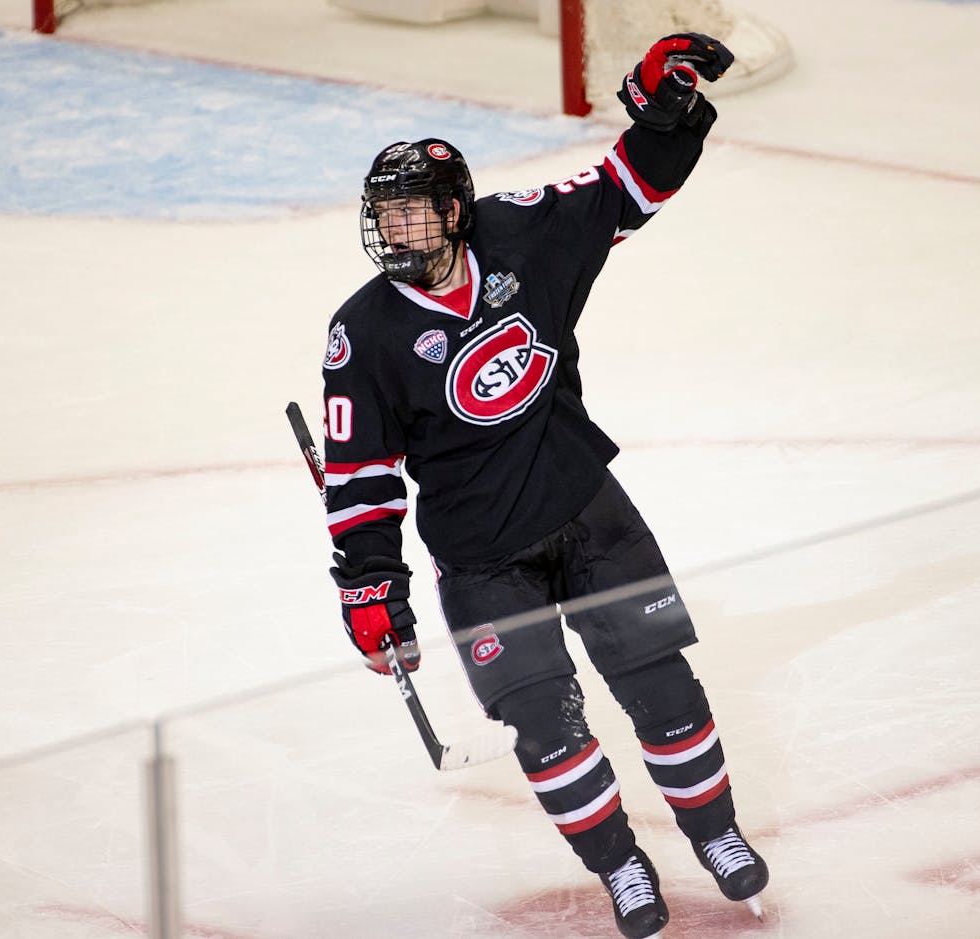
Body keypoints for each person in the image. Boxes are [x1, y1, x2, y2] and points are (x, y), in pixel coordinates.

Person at [318, 33, 767, 939]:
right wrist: (372, 589)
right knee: (548, 728)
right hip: (481, 555)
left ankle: (715, 834)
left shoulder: (522, 230)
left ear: (455, 209)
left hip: (585, 509)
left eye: (411, 213)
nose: (393, 231)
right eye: (384, 215)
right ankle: (623, 868)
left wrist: (662, 106)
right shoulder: (362, 333)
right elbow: (360, 479)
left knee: (664, 690)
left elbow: (630, 187)